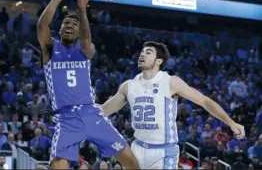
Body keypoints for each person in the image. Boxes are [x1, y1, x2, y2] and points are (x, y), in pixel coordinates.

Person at [37, 0, 140, 170]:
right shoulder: (51, 49)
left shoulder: (85, 50)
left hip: (91, 112)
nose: (69, 26)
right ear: (59, 31)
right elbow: (42, 25)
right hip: (67, 117)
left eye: (74, 25)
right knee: (58, 166)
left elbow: (86, 42)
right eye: (66, 23)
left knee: (132, 162)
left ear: (78, 32)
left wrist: (82, 9)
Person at [102, 41, 245, 169]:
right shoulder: (128, 86)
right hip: (137, 148)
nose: (142, 54)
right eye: (142, 52)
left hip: (163, 152)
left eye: (148, 52)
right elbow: (103, 110)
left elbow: (204, 101)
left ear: (158, 61)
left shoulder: (170, 82)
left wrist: (231, 122)